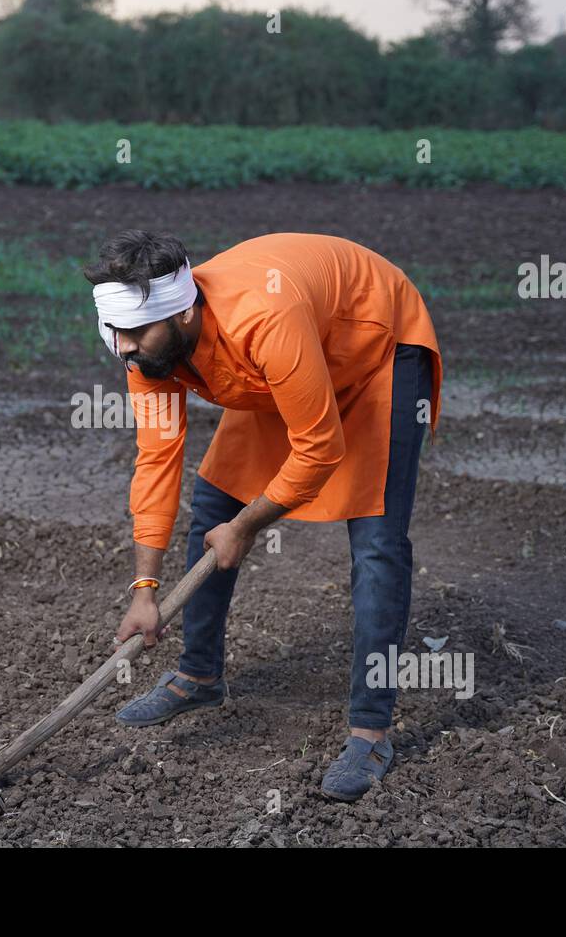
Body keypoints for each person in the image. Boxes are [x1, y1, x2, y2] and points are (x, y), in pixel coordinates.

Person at [84, 230, 442, 802]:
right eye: (114, 332)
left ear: (181, 315)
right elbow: (156, 461)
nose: (123, 347)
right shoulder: (148, 352)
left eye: (134, 332)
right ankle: (198, 676)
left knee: (376, 540)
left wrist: (247, 528)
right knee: (212, 502)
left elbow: (320, 449)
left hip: (375, 348)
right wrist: (145, 588)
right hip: (284, 362)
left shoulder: (263, 319)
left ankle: (370, 732)